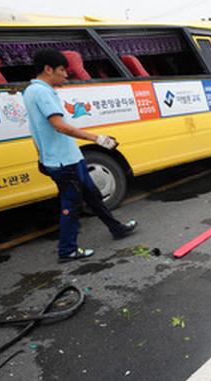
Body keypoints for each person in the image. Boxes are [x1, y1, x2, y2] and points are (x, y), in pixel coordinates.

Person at [23, 49, 137, 263]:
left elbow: (34, 129)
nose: (66, 75)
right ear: (48, 70)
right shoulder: (42, 92)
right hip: (63, 161)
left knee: (93, 195)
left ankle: (117, 228)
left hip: (68, 157)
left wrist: (41, 156)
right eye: (62, 70)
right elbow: (59, 126)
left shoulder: (30, 91)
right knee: (71, 205)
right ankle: (67, 250)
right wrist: (97, 138)